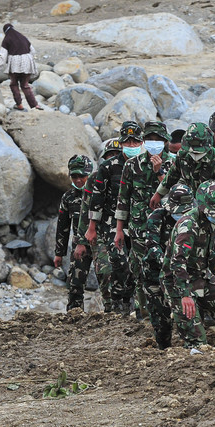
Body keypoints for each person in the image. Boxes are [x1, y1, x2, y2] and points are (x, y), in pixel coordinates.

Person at [161, 180, 215, 352]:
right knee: (197, 339)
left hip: (202, 276)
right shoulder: (188, 226)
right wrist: (185, 295)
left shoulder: (210, 220)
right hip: (179, 283)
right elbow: (177, 263)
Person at [114, 121, 171, 323]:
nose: (154, 143)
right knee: (139, 272)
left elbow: (177, 195)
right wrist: (119, 230)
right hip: (139, 229)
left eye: (158, 139)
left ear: (165, 141)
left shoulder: (174, 164)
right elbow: (123, 198)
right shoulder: (132, 165)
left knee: (166, 271)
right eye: (150, 139)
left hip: (166, 230)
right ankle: (144, 314)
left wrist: (159, 172)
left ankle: (167, 313)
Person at [86, 125, 145, 313]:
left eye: (135, 141)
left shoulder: (146, 165)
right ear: (121, 143)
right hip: (111, 221)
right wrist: (92, 227)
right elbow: (97, 197)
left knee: (137, 263)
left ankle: (130, 301)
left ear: (141, 142)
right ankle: (118, 300)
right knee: (120, 262)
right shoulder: (108, 167)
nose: (131, 145)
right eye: (128, 142)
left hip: (137, 221)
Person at [74, 139, 130, 313]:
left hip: (128, 230)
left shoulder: (133, 173)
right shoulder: (94, 179)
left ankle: (127, 306)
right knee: (105, 270)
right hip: (100, 231)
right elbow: (86, 210)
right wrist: (82, 240)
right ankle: (110, 307)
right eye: (109, 155)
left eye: (115, 155)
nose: (112, 158)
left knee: (128, 269)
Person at [140, 184, 194, 349]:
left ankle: (192, 346)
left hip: (181, 276)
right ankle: (163, 349)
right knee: (162, 319)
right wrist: (168, 263)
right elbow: (151, 245)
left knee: (188, 314)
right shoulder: (157, 217)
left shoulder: (193, 220)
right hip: (155, 274)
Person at [149, 122, 215, 209]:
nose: (195, 154)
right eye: (192, 151)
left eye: (199, 152)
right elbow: (173, 175)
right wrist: (159, 194)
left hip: (209, 205)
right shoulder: (183, 154)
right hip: (186, 202)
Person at [54, 155, 94, 311]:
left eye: (82, 176)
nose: (78, 180)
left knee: (108, 281)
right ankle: (74, 316)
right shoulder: (68, 197)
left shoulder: (100, 193)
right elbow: (62, 226)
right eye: (74, 176)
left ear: (89, 174)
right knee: (74, 284)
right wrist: (59, 253)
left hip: (100, 244)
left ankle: (112, 316)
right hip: (79, 247)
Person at [0, 23, 43, 111]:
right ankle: (35, 105)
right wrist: (27, 59)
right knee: (25, 85)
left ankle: (19, 104)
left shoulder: (6, 39)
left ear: (5, 31)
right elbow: (33, 51)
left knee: (14, 84)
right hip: (27, 61)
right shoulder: (23, 37)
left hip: (14, 63)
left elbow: (3, 57)